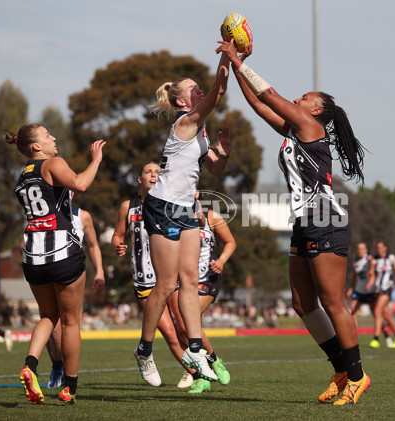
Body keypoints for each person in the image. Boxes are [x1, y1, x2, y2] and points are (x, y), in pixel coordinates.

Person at [219, 41, 370, 405]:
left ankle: (358, 376)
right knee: (303, 304)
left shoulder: (311, 125)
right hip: (304, 221)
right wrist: (234, 64)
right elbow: (258, 104)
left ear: (317, 109)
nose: (299, 99)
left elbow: (269, 94)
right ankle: (339, 369)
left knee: (334, 303)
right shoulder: (294, 130)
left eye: (305, 97)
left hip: (325, 219)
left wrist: (239, 61)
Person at [132, 41, 234, 383]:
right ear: (180, 100)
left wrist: (226, 153)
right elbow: (217, 95)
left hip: (186, 208)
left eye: (198, 88)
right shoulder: (185, 121)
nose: (199, 91)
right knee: (165, 284)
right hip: (161, 206)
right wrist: (228, 57)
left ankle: (195, 348)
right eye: (193, 89)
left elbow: (216, 170)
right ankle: (144, 350)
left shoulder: (200, 131)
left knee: (190, 279)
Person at [6, 123, 105, 404]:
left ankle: (30, 365)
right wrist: (95, 160)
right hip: (62, 250)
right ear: (36, 146)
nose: (54, 137)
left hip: (33, 255)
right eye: (48, 135)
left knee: (48, 316)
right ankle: (69, 388)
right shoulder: (52, 163)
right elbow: (81, 184)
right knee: (71, 322)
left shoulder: (22, 177)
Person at [112, 161, 194, 388]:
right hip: (144, 278)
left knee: (185, 328)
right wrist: (118, 244)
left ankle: (196, 368)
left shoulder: (171, 204)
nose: (154, 175)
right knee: (168, 333)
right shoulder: (128, 206)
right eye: (148, 172)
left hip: (170, 277)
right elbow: (118, 235)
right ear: (140, 179)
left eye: (158, 172)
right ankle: (195, 374)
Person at [168, 196, 236, 393]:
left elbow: (230, 242)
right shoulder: (172, 218)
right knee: (182, 327)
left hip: (207, 278)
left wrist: (221, 261)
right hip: (182, 279)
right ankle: (202, 376)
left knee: (190, 320)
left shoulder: (212, 217)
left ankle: (215, 363)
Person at [46, 206, 106, 389]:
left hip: (71, 275)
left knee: (69, 324)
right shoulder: (43, 211)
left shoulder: (83, 216)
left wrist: (100, 271)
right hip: (46, 272)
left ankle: (66, 373)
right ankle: (57, 365)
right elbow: (24, 242)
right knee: (53, 330)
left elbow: (93, 245)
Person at [345, 242, 394, 348]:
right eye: (358, 249)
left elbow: (373, 273)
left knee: (377, 314)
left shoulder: (370, 259)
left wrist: (370, 283)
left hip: (370, 291)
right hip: (358, 291)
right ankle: (354, 339)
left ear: (366, 250)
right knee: (352, 312)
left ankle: (386, 335)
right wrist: (351, 289)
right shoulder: (356, 261)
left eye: (362, 249)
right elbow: (354, 277)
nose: (360, 251)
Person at [368, 241, 395, 348]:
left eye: (381, 247)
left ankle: (376, 338)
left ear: (385, 248)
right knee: (387, 315)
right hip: (377, 290)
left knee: (377, 311)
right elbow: (372, 275)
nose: (379, 249)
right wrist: (370, 281)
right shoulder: (374, 259)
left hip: (387, 289)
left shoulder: (392, 258)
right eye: (377, 247)